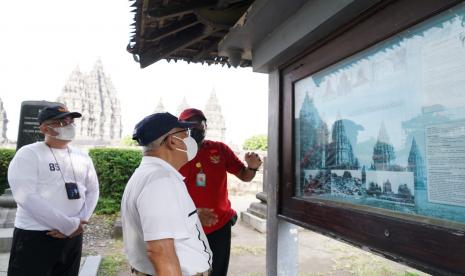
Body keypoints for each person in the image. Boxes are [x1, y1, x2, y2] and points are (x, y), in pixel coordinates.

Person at [7, 104, 99, 276]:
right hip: (35, 236)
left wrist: (80, 220)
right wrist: (67, 224)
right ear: (44, 128)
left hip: (72, 236)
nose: (69, 125)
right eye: (61, 122)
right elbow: (26, 197)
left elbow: (93, 191)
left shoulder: (82, 156)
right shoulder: (28, 154)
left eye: (71, 121)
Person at [121, 112, 212, 276]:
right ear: (172, 141)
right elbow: (160, 252)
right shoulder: (160, 180)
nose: (190, 140)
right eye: (186, 134)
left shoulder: (150, 175)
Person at [179, 108, 263, 276]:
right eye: (190, 125)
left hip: (219, 225)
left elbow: (244, 176)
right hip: (186, 226)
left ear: (206, 127)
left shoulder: (220, 150)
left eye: (199, 125)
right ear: (180, 129)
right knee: (187, 271)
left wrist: (252, 167)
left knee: (217, 272)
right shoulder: (175, 154)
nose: (195, 129)